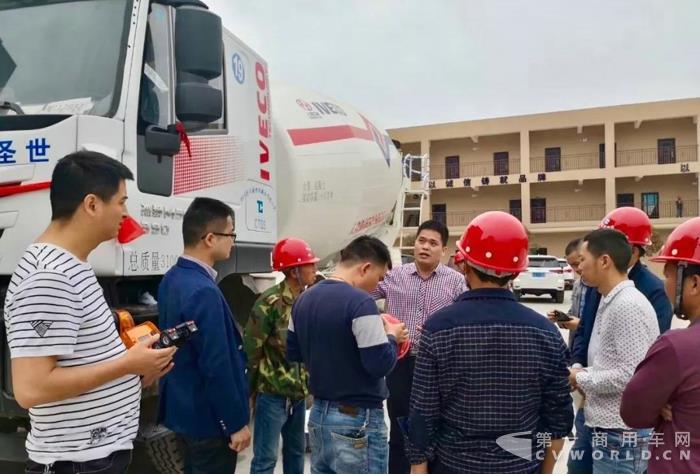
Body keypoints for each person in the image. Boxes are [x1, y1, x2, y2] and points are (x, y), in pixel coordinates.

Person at [4, 152, 175, 473]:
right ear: (92, 205)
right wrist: (127, 363)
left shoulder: (74, 265)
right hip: (79, 464)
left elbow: (81, 363)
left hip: (93, 458)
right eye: (121, 202)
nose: (126, 213)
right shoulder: (50, 277)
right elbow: (31, 389)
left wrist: (135, 372)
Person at [405, 211, 573, 474]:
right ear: (516, 272)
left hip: (454, 465)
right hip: (521, 465)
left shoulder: (437, 329)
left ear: (463, 264)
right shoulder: (546, 333)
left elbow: (423, 413)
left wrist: (418, 468)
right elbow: (558, 416)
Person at [287, 235, 409, 474]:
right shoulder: (361, 303)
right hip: (356, 420)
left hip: (319, 416)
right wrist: (392, 336)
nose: (377, 287)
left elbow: (294, 352)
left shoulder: (302, 300)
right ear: (365, 268)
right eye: (379, 277)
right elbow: (380, 365)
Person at [158, 197, 250, 473]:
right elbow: (216, 364)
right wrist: (234, 423)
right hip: (208, 421)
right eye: (231, 234)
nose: (233, 241)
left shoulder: (172, 279)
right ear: (210, 238)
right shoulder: (203, 291)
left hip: (184, 413)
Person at [371, 220, 466, 474]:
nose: (425, 247)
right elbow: (362, 296)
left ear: (443, 251)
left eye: (433, 243)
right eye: (421, 241)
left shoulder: (456, 282)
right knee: (400, 422)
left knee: (435, 423)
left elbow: (465, 317)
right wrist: (379, 320)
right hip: (399, 363)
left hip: (438, 364)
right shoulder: (393, 276)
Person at [569, 228, 659, 473]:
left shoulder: (627, 305)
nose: (579, 267)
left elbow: (631, 376)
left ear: (604, 261)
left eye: (583, 260)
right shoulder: (610, 299)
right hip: (607, 428)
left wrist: (580, 377)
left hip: (620, 434)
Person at [620, 217, 700, 473]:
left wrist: (660, 402)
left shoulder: (677, 347)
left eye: (668, 275)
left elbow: (633, 412)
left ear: (695, 283)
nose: (665, 284)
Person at [244, 238, 319, 474]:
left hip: (298, 397)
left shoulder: (308, 301)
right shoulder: (269, 303)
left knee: (296, 455)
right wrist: (250, 393)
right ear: (295, 271)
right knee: (265, 460)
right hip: (272, 396)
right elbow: (251, 351)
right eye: (309, 264)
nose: (315, 269)